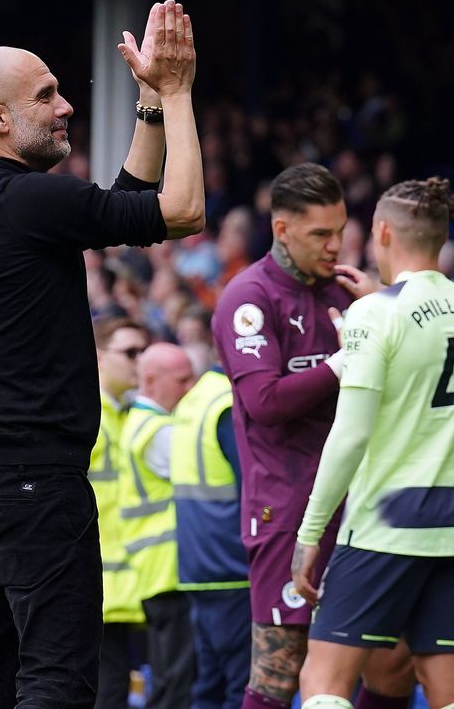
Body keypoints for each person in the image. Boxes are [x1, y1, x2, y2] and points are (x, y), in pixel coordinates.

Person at [0, 0, 202, 707]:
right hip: (33, 489)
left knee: (6, 686)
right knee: (57, 685)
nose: (65, 108)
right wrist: (177, 94)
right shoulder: (27, 201)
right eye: (46, 95)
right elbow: (181, 212)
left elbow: (125, 206)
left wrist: (148, 103)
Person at [294, 177, 454, 709]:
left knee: (323, 682)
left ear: (382, 231)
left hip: (383, 524)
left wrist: (311, 531)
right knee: (451, 691)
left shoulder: (374, 314)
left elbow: (352, 432)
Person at [211, 162, 354, 709]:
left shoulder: (344, 291)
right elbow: (263, 402)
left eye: (340, 230)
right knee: (279, 668)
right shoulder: (248, 299)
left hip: (355, 502)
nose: (335, 245)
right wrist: (343, 364)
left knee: (377, 659)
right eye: (320, 234)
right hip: (287, 509)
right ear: (282, 229)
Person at [117, 342, 197, 708]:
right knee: (175, 681)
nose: (190, 387)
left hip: (160, 571)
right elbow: (199, 471)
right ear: (150, 380)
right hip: (169, 570)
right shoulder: (155, 431)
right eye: (182, 379)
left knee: (171, 676)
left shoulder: (145, 423)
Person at [171, 365, 251, 709]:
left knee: (210, 684)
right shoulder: (226, 402)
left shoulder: (196, 398)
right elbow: (253, 485)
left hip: (200, 567)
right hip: (233, 565)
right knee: (241, 685)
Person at [90, 317, 150, 709]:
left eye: (144, 352)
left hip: (136, 586)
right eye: (130, 352)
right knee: (107, 690)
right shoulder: (83, 418)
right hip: (99, 589)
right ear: (98, 357)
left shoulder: (135, 415)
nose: (140, 362)